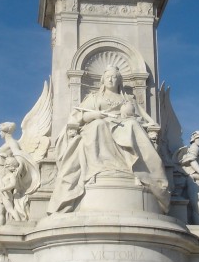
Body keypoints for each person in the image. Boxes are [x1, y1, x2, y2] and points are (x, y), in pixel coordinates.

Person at [49, 66, 170, 213]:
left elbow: (142, 119)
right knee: (98, 126)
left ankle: (138, 170)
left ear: (119, 80)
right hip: (98, 125)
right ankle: (97, 170)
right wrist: (94, 116)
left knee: (132, 125)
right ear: (103, 80)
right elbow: (80, 116)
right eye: (108, 77)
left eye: (114, 77)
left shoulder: (128, 99)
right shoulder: (94, 98)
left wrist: (129, 114)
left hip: (123, 125)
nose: (111, 80)